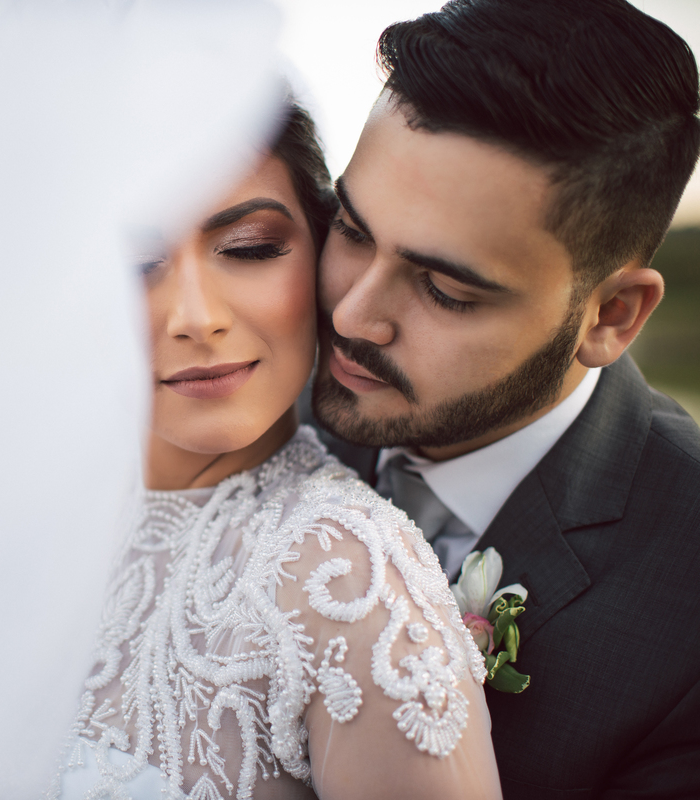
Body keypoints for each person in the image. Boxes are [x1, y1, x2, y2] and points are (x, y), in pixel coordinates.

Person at [304, 0, 700, 796]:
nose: (351, 316)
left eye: (446, 290)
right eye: (350, 229)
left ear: (609, 316)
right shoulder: (248, 402)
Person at [54, 101, 502, 800]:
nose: (197, 318)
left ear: (323, 254)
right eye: (138, 264)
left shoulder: (350, 576)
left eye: (249, 249)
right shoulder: (19, 523)